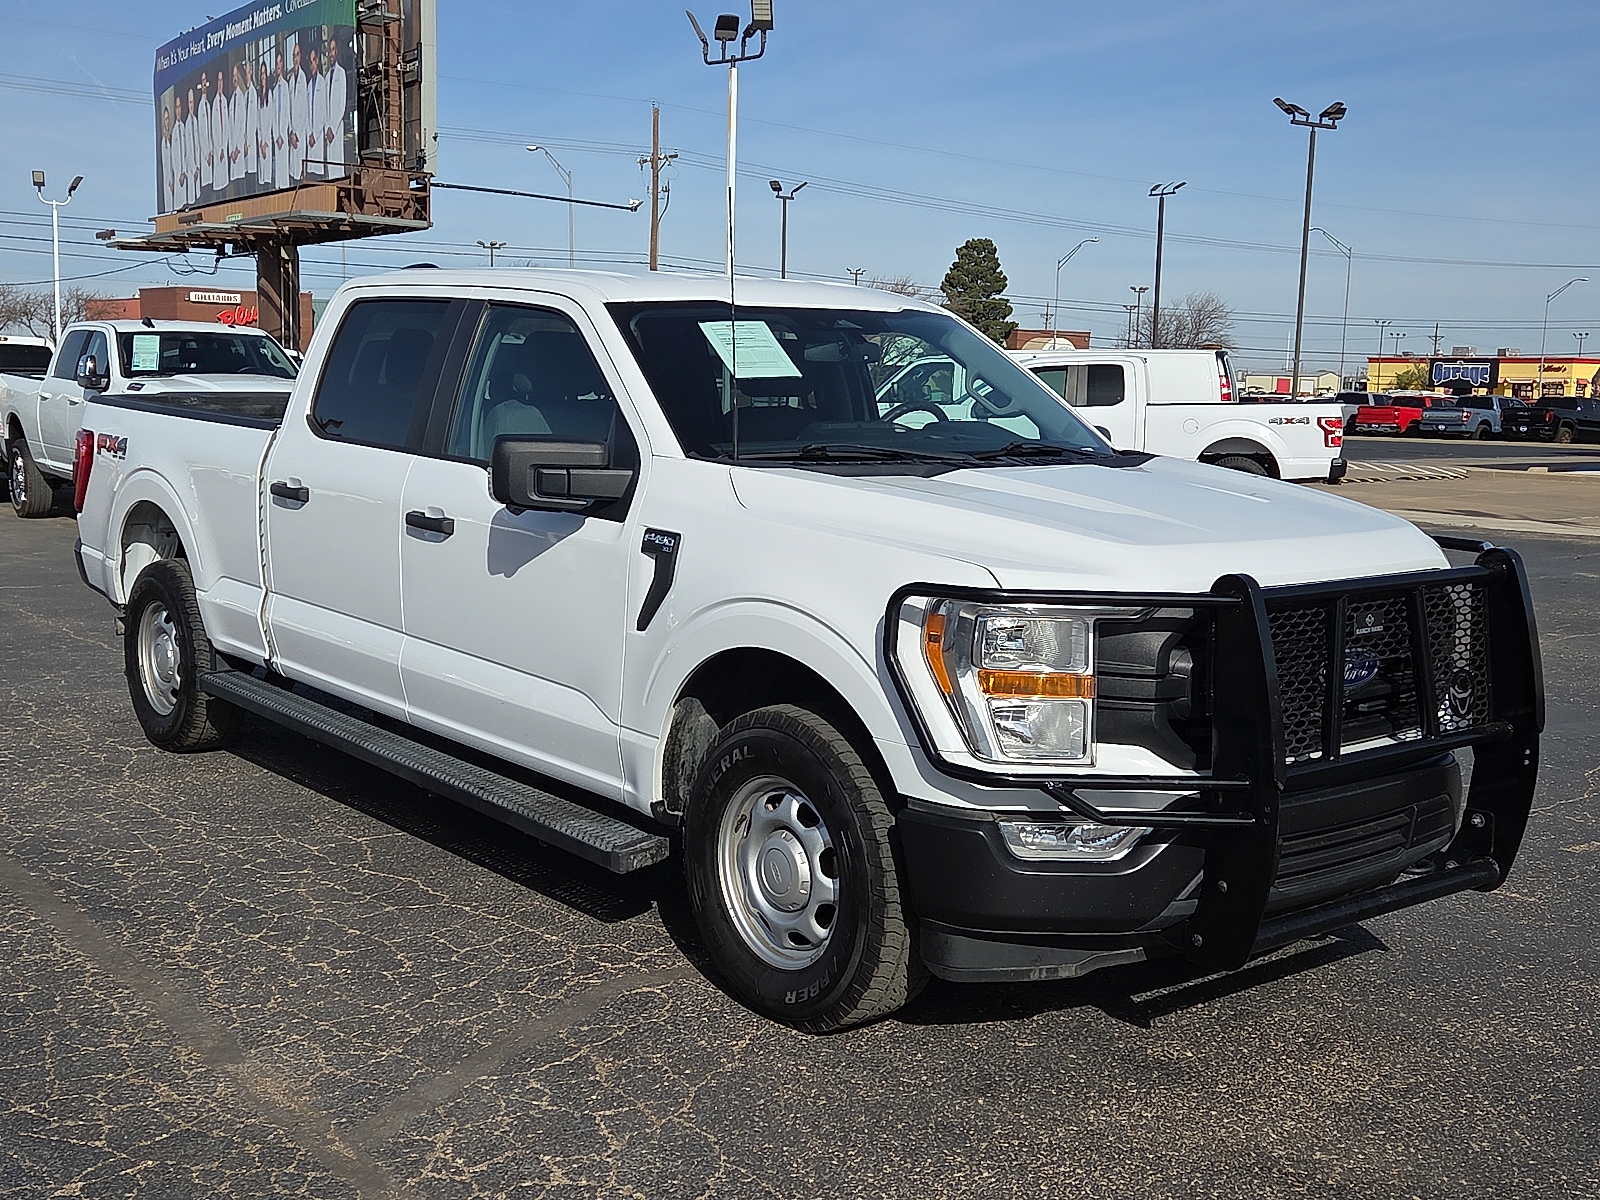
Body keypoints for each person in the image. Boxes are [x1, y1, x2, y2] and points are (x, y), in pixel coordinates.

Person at [323, 31, 348, 175]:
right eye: (329, 50)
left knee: (337, 167)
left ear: (337, 51)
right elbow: (325, 107)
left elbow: (341, 105)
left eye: (333, 49)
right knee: (329, 167)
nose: (331, 53)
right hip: (328, 131)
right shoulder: (327, 78)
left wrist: (333, 127)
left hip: (336, 129)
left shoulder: (341, 73)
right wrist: (327, 127)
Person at [288, 40, 308, 182]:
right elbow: (289, 109)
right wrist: (291, 133)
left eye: (297, 54)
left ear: (300, 57)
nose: (295, 58)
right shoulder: (290, 80)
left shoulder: (303, 78)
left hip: (300, 137)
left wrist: (297, 135)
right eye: (293, 55)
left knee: (300, 174)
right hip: (292, 136)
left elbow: (304, 110)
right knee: (291, 174)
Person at [305, 43, 325, 179]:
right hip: (310, 137)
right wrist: (309, 134)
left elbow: (322, 112)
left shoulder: (322, 82)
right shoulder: (308, 85)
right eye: (310, 62)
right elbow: (307, 112)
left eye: (313, 60)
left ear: (317, 61)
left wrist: (315, 135)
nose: (312, 64)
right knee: (310, 173)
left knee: (318, 173)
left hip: (317, 138)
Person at [273, 46, 291, 188]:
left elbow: (287, 113)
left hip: (284, 137)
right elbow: (274, 116)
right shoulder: (274, 90)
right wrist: (276, 135)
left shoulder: (286, 87)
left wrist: (282, 135)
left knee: (284, 170)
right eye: (276, 63)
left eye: (280, 62)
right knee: (277, 174)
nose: (278, 66)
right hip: (277, 137)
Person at [212, 69, 230, 200]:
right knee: (218, 185)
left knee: (225, 184)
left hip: (225, 147)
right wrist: (219, 149)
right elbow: (214, 130)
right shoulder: (214, 105)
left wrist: (224, 147)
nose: (220, 83)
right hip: (218, 150)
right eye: (218, 80)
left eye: (221, 80)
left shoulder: (225, 101)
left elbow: (227, 127)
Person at [196, 72, 213, 200]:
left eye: (205, 81)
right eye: (202, 81)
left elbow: (211, 130)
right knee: (206, 190)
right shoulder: (201, 107)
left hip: (211, 155)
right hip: (204, 156)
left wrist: (211, 152)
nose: (204, 84)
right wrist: (207, 153)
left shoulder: (208, 104)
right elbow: (202, 133)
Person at [183, 86, 201, 207]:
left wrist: (198, 167)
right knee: (192, 199)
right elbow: (188, 151)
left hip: (199, 168)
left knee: (199, 197)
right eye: (189, 102)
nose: (191, 105)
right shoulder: (186, 126)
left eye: (192, 102)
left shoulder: (196, 121)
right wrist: (194, 168)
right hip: (191, 169)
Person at [160, 103, 175, 213]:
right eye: (165, 119)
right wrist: (170, 180)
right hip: (169, 181)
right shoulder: (163, 142)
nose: (167, 121)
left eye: (168, 118)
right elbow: (165, 164)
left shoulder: (174, 135)